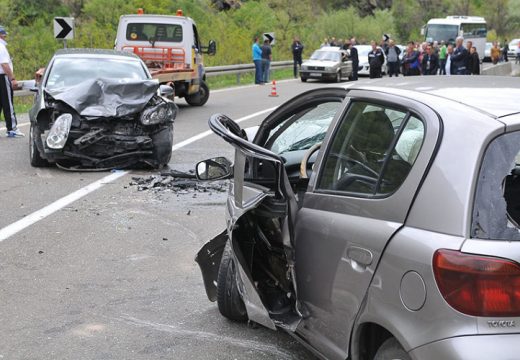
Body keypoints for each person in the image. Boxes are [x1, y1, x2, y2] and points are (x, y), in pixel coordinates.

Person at [0, 26, 23, 137]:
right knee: (8, 104)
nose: (5, 36)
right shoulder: (1, 46)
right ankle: (12, 129)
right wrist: (12, 78)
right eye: (4, 34)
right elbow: (4, 64)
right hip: (3, 77)